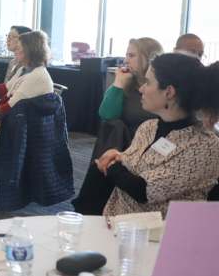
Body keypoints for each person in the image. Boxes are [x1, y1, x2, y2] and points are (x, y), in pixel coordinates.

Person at [87, 53, 219, 217]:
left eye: (148, 82)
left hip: (160, 236)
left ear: (169, 92)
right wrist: (119, 156)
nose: (141, 88)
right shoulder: (148, 127)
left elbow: (143, 190)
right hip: (119, 223)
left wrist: (112, 165)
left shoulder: (204, 146)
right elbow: (138, 166)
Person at [72, 38, 163, 214]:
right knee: (111, 126)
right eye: (126, 54)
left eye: (132, 55)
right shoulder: (126, 83)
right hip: (122, 144)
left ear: (148, 58)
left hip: (150, 147)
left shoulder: (159, 88)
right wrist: (118, 84)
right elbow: (106, 114)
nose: (126, 60)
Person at [0, 30, 54, 147]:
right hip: (15, 122)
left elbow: (9, 108)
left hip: (20, 130)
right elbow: (3, 89)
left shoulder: (36, 76)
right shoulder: (25, 70)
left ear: (28, 51)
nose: (16, 51)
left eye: (19, 48)